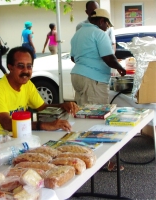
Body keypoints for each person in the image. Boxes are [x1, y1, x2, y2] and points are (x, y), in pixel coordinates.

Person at [71, 8, 127, 172]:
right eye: (107, 24)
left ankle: (82, 157)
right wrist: (120, 68)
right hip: (93, 80)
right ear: (101, 21)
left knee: (82, 117)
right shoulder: (99, 34)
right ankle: (103, 161)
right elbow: (109, 57)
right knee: (97, 119)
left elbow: (74, 57)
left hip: (78, 76)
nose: (107, 27)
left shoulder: (78, 33)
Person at [0, 46, 79, 133]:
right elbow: (7, 124)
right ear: (10, 67)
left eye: (29, 66)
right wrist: (44, 125)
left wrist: (63, 105)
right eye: (21, 66)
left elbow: (42, 107)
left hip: (21, 135)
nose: (25, 71)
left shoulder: (27, 85)